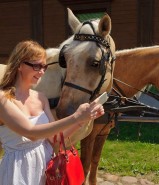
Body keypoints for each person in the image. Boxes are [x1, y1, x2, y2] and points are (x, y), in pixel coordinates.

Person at [0, 40, 104, 185]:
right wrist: (75, 117)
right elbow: (31, 132)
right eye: (37, 66)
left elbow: (54, 139)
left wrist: (83, 119)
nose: (42, 72)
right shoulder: (3, 99)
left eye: (44, 67)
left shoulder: (40, 97)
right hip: (18, 170)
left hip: (45, 166)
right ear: (19, 65)